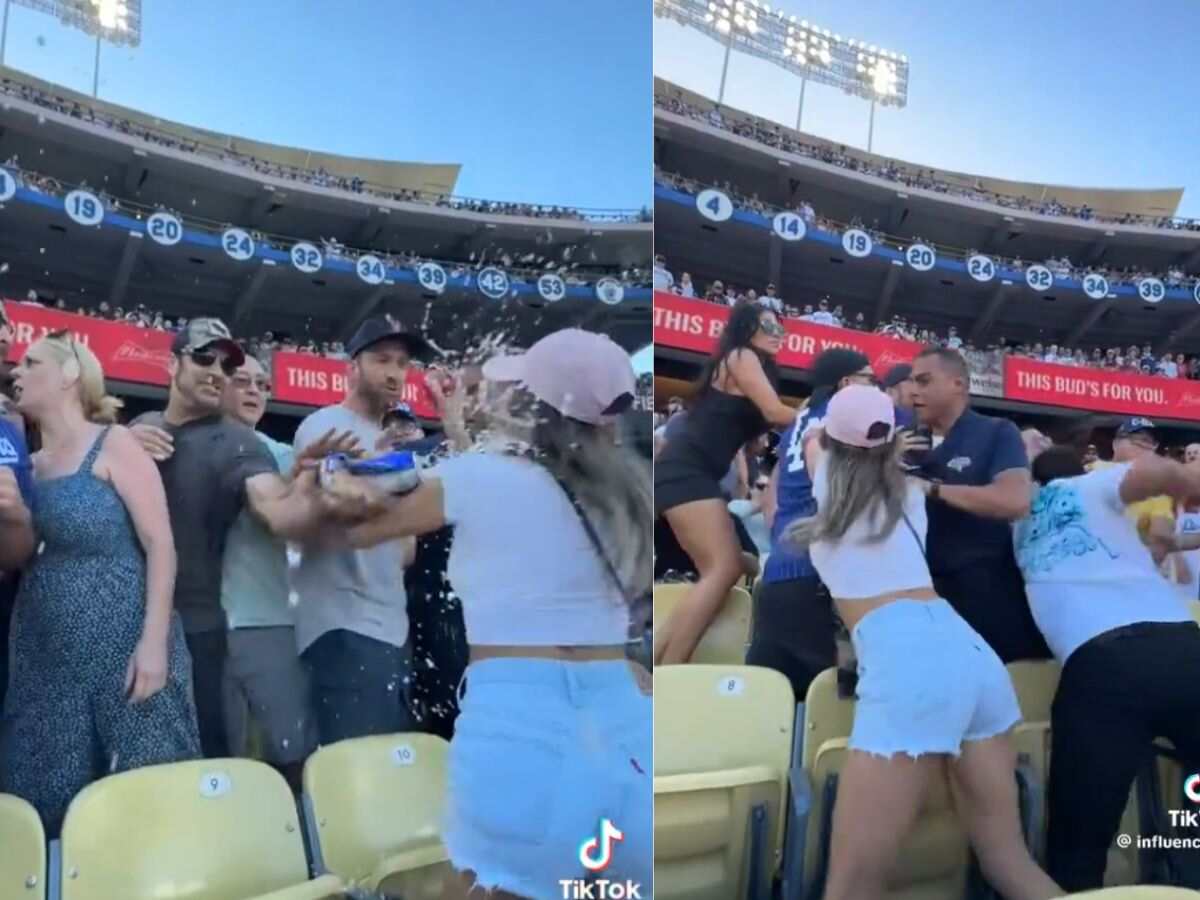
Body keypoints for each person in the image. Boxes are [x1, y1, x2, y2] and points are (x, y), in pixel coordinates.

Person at [319, 328, 652, 899]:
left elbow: (351, 528)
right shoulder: (631, 492)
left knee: (485, 883)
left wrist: (329, 470)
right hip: (623, 712)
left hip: (518, 713)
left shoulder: (481, 474)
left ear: (529, 403)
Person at [785, 385, 1060, 900]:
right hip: (971, 654)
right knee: (1009, 862)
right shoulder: (910, 494)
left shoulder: (828, 486)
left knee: (851, 887)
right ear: (892, 443)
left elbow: (818, 439)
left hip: (907, 664)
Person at [1, 332, 199, 835]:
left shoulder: (115, 442)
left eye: (31, 362)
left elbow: (161, 545)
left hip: (125, 651)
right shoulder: (28, 466)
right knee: (47, 803)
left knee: (142, 805)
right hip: (45, 659)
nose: (16, 372)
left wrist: (154, 644)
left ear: (69, 374)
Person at [131, 318, 337, 758]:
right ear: (171, 364)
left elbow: (275, 509)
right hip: (128, 623)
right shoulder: (143, 426)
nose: (215, 373)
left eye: (225, 367)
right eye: (204, 358)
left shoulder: (238, 442)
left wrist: (309, 497)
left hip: (198, 633)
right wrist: (121, 443)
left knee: (210, 762)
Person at [1014, 445, 1200, 891]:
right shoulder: (1093, 487)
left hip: (1103, 665)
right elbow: (1152, 473)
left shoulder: (1012, 519)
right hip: (1183, 646)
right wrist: (1183, 480)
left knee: (1080, 841)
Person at [291, 316, 421, 746]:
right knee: (358, 777)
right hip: (343, 626)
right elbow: (334, 500)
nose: (393, 373)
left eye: (402, 363)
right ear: (353, 367)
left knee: (391, 771)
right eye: (381, 360)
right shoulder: (325, 426)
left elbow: (407, 551)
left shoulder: (397, 448)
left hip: (390, 626)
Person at [654, 302, 796, 664]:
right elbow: (777, 412)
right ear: (746, 328)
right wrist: (826, 417)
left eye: (781, 328)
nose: (777, 334)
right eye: (769, 326)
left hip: (695, 472)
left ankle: (658, 662)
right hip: (686, 469)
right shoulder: (740, 356)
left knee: (736, 564)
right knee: (723, 569)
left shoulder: (751, 367)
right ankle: (671, 668)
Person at [749, 348, 877, 701]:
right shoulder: (837, 425)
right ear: (848, 383)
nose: (876, 388)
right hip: (817, 579)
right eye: (871, 379)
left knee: (775, 708)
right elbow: (837, 498)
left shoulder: (798, 424)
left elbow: (771, 504)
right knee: (831, 709)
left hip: (779, 574)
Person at [909, 347, 1050, 662]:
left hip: (987, 596)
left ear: (958, 384)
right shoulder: (906, 444)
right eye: (912, 382)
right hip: (926, 599)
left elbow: (1014, 501)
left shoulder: (996, 431)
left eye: (924, 381)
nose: (914, 391)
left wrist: (930, 489)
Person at [217, 354, 317, 785]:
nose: (255, 391)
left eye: (263, 384)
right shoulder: (175, 447)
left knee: (294, 758)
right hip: (198, 628)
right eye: (243, 381)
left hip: (268, 623)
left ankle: (306, 847)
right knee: (222, 766)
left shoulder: (284, 456)